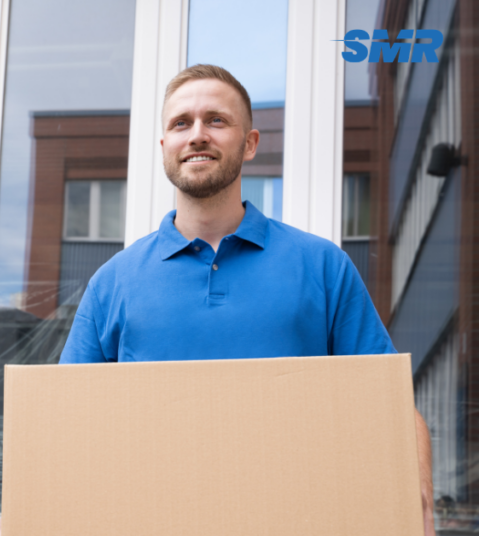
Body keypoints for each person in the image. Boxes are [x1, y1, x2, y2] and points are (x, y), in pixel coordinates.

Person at [58, 64, 435, 535]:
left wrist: (416, 497)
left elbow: (390, 403)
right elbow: (65, 424)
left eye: (216, 120)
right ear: (164, 148)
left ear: (250, 143)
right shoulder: (112, 282)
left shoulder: (322, 265)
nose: (197, 135)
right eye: (181, 123)